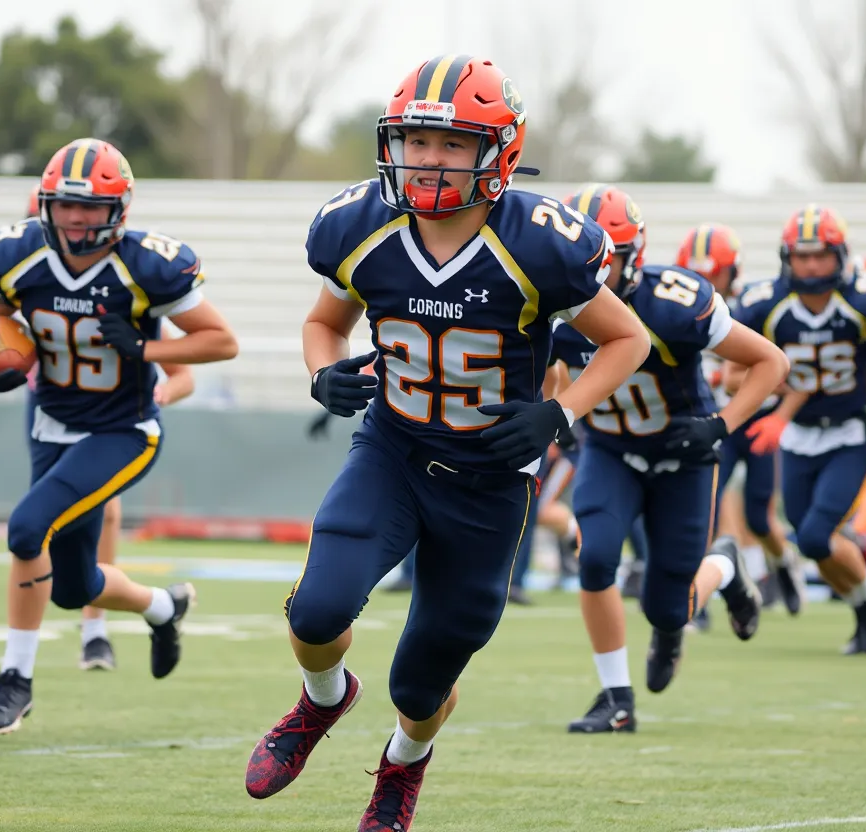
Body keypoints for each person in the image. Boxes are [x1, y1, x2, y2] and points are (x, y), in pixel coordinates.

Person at [243, 56, 650, 832]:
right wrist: (323, 372)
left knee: (421, 683)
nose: (428, 159)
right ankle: (322, 701)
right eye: (416, 141)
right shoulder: (361, 226)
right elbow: (324, 322)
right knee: (317, 610)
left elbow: (626, 339)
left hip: (490, 478)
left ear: (499, 152)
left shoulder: (538, 243)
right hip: (392, 451)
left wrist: (559, 415)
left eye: (452, 144)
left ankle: (404, 763)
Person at [0, 137, 238, 733]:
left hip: (122, 430)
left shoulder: (145, 265)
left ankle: (14, 681)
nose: (75, 217)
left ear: (119, 209)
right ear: (46, 204)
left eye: (89, 206)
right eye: (65, 204)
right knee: (72, 586)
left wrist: (144, 348)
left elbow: (221, 341)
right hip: (51, 424)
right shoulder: (17, 254)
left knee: (26, 528)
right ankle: (163, 607)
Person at [554, 186, 787, 734]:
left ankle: (725, 566)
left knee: (668, 608)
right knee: (596, 558)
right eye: (573, 255)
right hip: (611, 450)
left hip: (682, 455)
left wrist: (721, 425)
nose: (587, 270)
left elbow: (770, 363)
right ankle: (616, 698)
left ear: (632, 257)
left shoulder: (674, 304)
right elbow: (547, 371)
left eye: (601, 257)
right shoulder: (550, 304)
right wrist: (556, 418)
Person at [730, 205, 866, 655]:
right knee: (812, 540)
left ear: (840, 256)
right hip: (798, 434)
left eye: (821, 255)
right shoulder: (766, 304)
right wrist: (781, 392)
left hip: (852, 431)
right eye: (803, 255)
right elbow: (733, 373)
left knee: (815, 534)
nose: (811, 265)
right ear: (787, 258)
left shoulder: (864, 301)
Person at [677, 223, 805, 614]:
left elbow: (775, 370)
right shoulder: (671, 306)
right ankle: (695, 596)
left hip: (754, 418)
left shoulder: (751, 306)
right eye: (695, 273)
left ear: (732, 272)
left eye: (714, 273)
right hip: (713, 423)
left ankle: (783, 563)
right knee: (704, 506)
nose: (704, 282)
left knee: (759, 516)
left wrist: (725, 377)